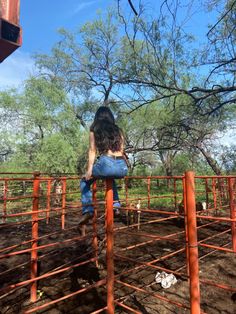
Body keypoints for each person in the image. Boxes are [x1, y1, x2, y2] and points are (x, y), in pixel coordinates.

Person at [79, 106, 128, 226]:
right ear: (111, 116)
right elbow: (122, 150)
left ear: (97, 117)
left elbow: (92, 151)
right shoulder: (118, 130)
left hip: (107, 163)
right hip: (122, 167)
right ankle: (115, 205)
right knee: (110, 178)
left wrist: (89, 170)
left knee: (84, 182)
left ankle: (88, 210)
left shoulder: (94, 129)